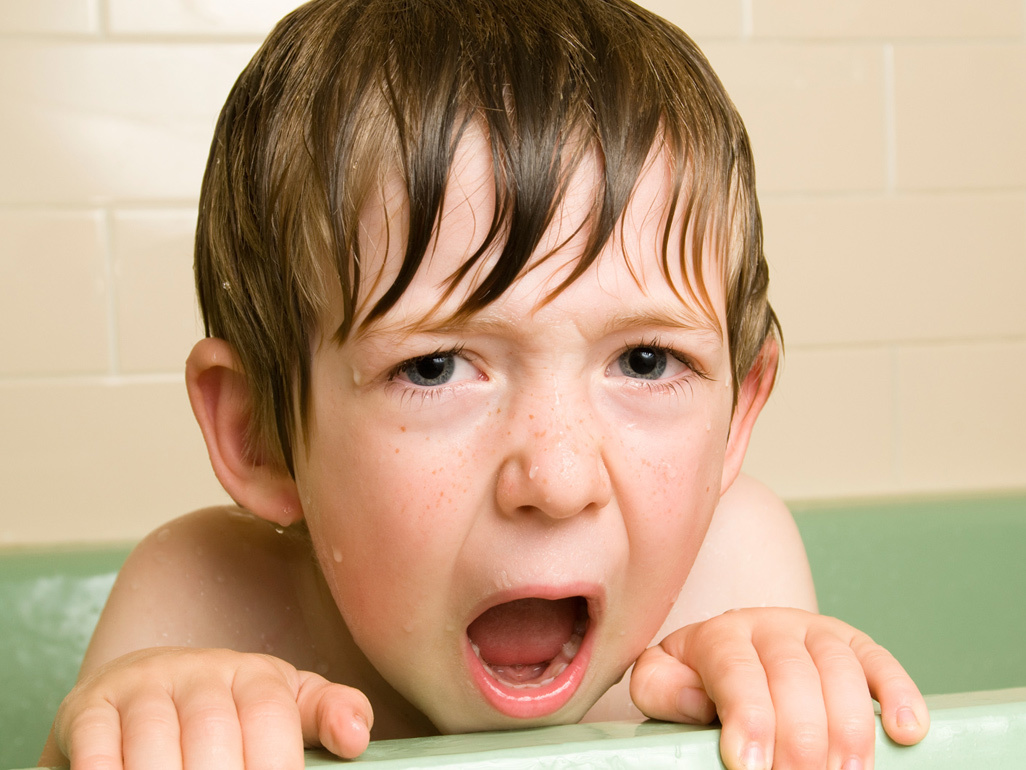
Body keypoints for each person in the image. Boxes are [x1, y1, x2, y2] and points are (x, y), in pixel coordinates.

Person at [39, 1, 930, 768]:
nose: (558, 479)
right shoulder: (201, 602)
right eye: (433, 367)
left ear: (739, 413)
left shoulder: (733, 573)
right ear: (259, 433)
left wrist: (799, 712)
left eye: (647, 361)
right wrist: (135, 730)